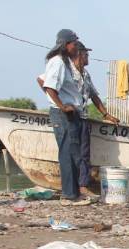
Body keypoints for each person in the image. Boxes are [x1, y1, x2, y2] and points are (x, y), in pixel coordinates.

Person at [38, 41, 119, 198]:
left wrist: (105, 114)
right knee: (71, 152)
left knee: (83, 153)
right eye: (86, 54)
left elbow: (94, 95)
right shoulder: (65, 67)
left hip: (82, 116)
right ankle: (74, 190)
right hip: (68, 114)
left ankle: (81, 186)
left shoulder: (85, 74)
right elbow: (43, 81)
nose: (88, 57)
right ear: (79, 54)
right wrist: (59, 103)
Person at [41, 29, 85, 202]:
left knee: (73, 153)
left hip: (71, 114)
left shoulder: (65, 62)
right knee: (67, 153)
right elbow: (49, 87)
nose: (76, 47)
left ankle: (74, 193)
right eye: (74, 44)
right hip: (62, 114)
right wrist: (62, 106)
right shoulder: (58, 61)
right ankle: (69, 194)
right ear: (66, 44)